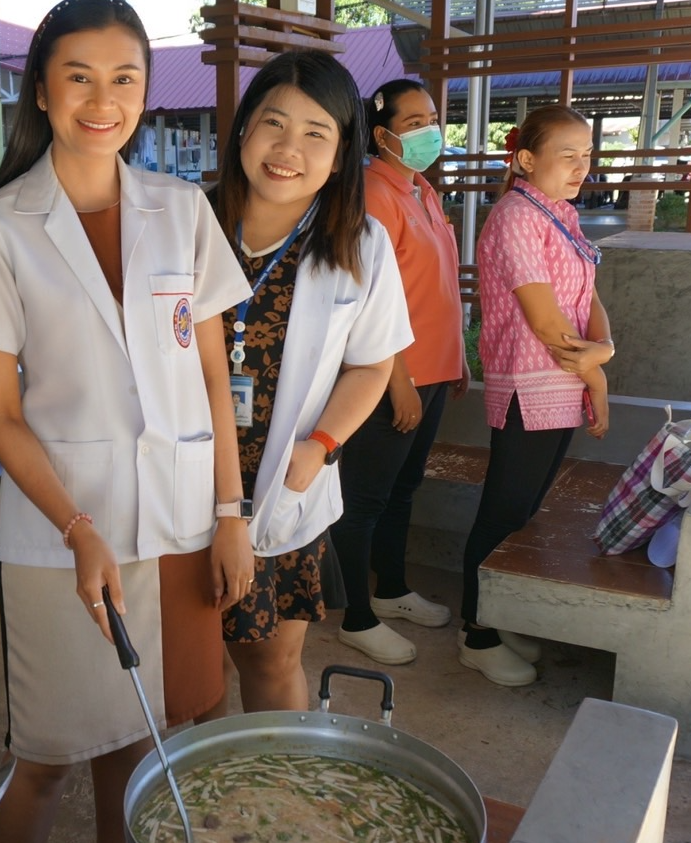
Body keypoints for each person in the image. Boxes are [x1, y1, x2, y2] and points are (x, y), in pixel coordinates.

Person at [0, 0, 252, 843]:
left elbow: (215, 381)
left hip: (182, 522)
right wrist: (76, 526)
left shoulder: (182, 211)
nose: (101, 99)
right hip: (62, 532)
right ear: (41, 90)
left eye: (123, 78)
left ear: (146, 89)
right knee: (47, 753)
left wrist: (231, 515)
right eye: (78, 77)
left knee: (153, 746)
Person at [208, 51, 410, 713]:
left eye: (315, 133)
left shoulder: (359, 241)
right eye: (273, 124)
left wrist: (321, 444)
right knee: (189, 666)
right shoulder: (189, 225)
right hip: (184, 478)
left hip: (285, 478)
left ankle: (279, 790)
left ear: (343, 148)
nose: (288, 148)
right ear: (242, 130)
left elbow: (372, 364)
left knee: (269, 658)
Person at [461, 106, 614, 687]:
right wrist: (598, 372)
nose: (582, 165)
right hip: (532, 386)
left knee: (523, 513)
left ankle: (498, 616)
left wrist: (605, 346)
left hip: (561, 383)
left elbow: (587, 296)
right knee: (502, 510)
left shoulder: (560, 214)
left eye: (588, 153)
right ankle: (475, 634)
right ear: (527, 159)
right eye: (568, 154)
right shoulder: (515, 218)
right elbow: (549, 325)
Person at [329, 79, 467, 667]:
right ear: (381, 134)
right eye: (413, 123)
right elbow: (370, 297)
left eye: (431, 118)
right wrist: (399, 378)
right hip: (391, 375)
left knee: (403, 490)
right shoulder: (373, 193)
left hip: (434, 371)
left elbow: (433, 288)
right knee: (364, 497)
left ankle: (391, 589)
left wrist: (454, 360)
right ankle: (356, 614)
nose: (427, 131)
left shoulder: (422, 190)